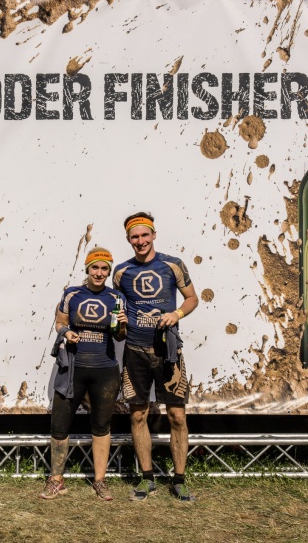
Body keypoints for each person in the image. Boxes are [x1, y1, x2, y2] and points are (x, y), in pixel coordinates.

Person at [113, 212, 199, 501]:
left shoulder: (173, 264)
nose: (140, 241)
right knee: (138, 414)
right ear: (129, 240)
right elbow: (118, 319)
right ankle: (147, 478)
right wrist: (120, 326)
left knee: (177, 415)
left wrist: (177, 313)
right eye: (135, 237)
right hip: (135, 351)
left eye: (144, 235)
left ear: (153, 235)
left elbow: (192, 298)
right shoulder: (121, 273)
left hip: (168, 352)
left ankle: (179, 480)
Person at [39, 247, 128, 501]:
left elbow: (120, 336)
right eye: (95, 268)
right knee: (59, 424)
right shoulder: (72, 293)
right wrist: (66, 332)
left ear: (108, 272)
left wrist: (122, 325)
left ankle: (100, 480)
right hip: (72, 369)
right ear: (87, 269)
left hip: (105, 370)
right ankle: (56, 480)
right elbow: (60, 322)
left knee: (101, 425)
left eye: (104, 269)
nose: (99, 273)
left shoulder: (116, 298)